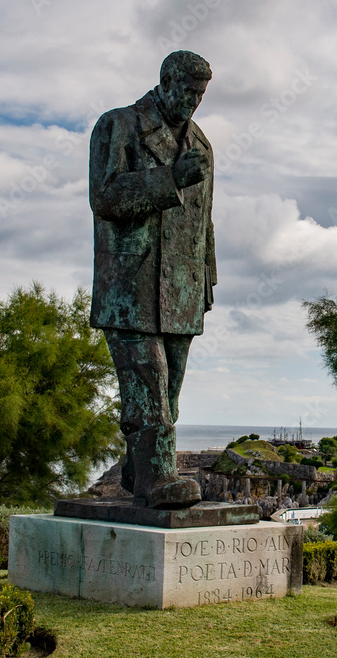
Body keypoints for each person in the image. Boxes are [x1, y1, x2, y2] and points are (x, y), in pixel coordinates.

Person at [88, 50, 215, 509]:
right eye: (187, 91)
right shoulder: (118, 126)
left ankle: (137, 469)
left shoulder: (202, 145)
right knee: (150, 382)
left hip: (182, 290)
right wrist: (170, 178)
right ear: (165, 81)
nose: (193, 101)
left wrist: (206, 277)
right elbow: (105, 197)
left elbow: (204, 220)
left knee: (169, 394)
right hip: (131, 284)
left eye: (200, 94)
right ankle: (158, 476)